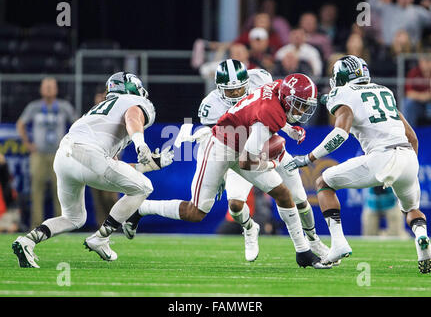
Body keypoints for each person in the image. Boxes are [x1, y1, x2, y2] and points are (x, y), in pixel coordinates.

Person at [123, 67, 331, 269]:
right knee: (195, 212)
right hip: (220, 149)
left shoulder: (276, 86)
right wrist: (272, 164)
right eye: (300, 105)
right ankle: (143, 208)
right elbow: (246, 162)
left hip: (244, 144)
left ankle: (303, 252)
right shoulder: (267, 112)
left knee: (283, 194)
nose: (303, 111)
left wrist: (287, 129)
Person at [12, 72, 174, 268]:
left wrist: (152, 164)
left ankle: (27, 241)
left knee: (74, 218)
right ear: (133, 88)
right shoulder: (134, 102)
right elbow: (133, 116)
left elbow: (113, 167)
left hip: (64, 155)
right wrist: (141, 145)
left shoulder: (99, 111)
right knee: (144, 187)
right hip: (89, 154)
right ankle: (101, 238)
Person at [287, 55, 430, 274]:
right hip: (408, 156)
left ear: (341, 77)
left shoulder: (342, 93)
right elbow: (413, 136)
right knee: (411, 209)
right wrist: (407, 168)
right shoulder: (384, 91)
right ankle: (422, 239)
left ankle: (338, 244)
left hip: (381, 156)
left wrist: (309, 158)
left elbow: (340, 134)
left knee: (323, 181)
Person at [16, 77, 76, 230]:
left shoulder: (64, 106)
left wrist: (70, 143)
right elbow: (20, 124)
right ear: (41, 90)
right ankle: (36, 226)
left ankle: (60, 226)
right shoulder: (34, 107)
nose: (49, 89)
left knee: (60, 190)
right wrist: (28, 144)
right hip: (39, 155)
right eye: (46, 87)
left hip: (59, 154)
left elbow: (77, 123)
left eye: (51, 87)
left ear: (56, 89)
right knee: (37, 190)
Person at [89, 86, 119, 226]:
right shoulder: (89, 116)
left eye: (103, 96)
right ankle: (102, 228)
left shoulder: (114, 115)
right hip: (92, 161)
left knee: (110, 196)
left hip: (109, 159)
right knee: (98, 198)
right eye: (98, 97)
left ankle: (118, 223)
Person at [367, 0, 431, 47]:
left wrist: (429, 6)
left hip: (410, 51)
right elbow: (369, 4)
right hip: (387, 51)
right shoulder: (387, 8)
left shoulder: (418, 11)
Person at [402, 55, 431, 126]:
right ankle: (410, 131)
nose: (426, 64)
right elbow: (409, 93)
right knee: (408, 102)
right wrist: (423, 96)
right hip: (418, 104)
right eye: (424, 61)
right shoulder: (413, 72)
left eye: (428, 61)